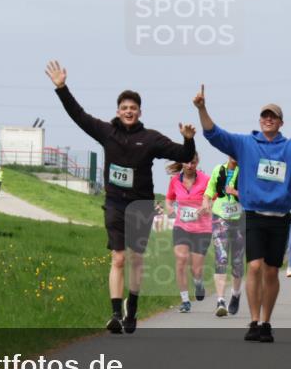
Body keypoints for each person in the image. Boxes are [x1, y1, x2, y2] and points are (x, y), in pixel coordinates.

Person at [47, 60, 196, 334]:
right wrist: (62, 88)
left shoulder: (151, 139)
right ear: (118, 111)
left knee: (136, 260)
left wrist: (188, 140)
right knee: (118, 258)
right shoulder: (107, 132)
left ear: (140, 112)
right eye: (125, 108)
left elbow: (184, 156)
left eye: (133, 108)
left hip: (140, 205)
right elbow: (78, 115)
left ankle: (133, 310)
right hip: (115, 202)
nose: (129, 111)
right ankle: (116, 314)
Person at [195, 85, 291, 343]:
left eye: (273, 116)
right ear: (260, 120)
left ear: (280, 122)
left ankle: (266, 321)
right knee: (254, 266)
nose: (268, 119)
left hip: (280, 218)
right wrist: (201, 108)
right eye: (265, 115)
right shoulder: (245, 144)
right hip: (253, 215)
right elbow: (214, 134)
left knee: (270, 272)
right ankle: (254, 321)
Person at [165, 154, 212, 313]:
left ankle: (198, 282)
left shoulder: (206, 179)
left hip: (202, 229)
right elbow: (169, 199)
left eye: (193, 162)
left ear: (197, 163)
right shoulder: (175, 181)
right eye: (187, 162)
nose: (190, 165)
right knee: (181, 259)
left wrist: (207, 205)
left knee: (196, 269)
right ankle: (185, 300)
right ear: (182, 163)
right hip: (182, 226)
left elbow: (213, 198)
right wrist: (170, 208)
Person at [204, 157, 244, 315]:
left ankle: (235, 294)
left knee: (237, 262)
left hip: (240, 219)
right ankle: (220, 300)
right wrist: (206, 200)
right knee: (221, 258)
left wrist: (234, 192)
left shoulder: (246, 171)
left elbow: (251, 195)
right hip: (220, 218)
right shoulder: (218, 170)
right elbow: (209, 190)